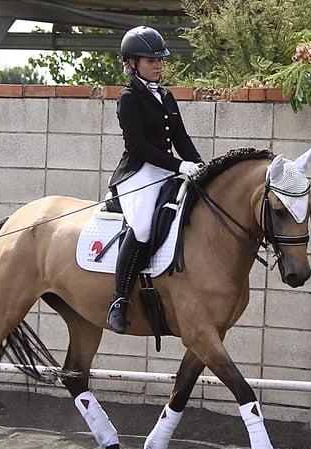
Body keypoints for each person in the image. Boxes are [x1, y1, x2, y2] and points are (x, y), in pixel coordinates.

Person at [106, 25, 204, 334]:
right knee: (144, 226)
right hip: (139, 173)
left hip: (167, 169)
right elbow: (137, 147)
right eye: (151, 61)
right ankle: (119, 299)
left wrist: (201, 166)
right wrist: (178, 165)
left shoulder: (166, 95)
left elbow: (180, 137)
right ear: (132, 64)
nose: (158, 65)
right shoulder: (128, 97)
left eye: (160, 60)